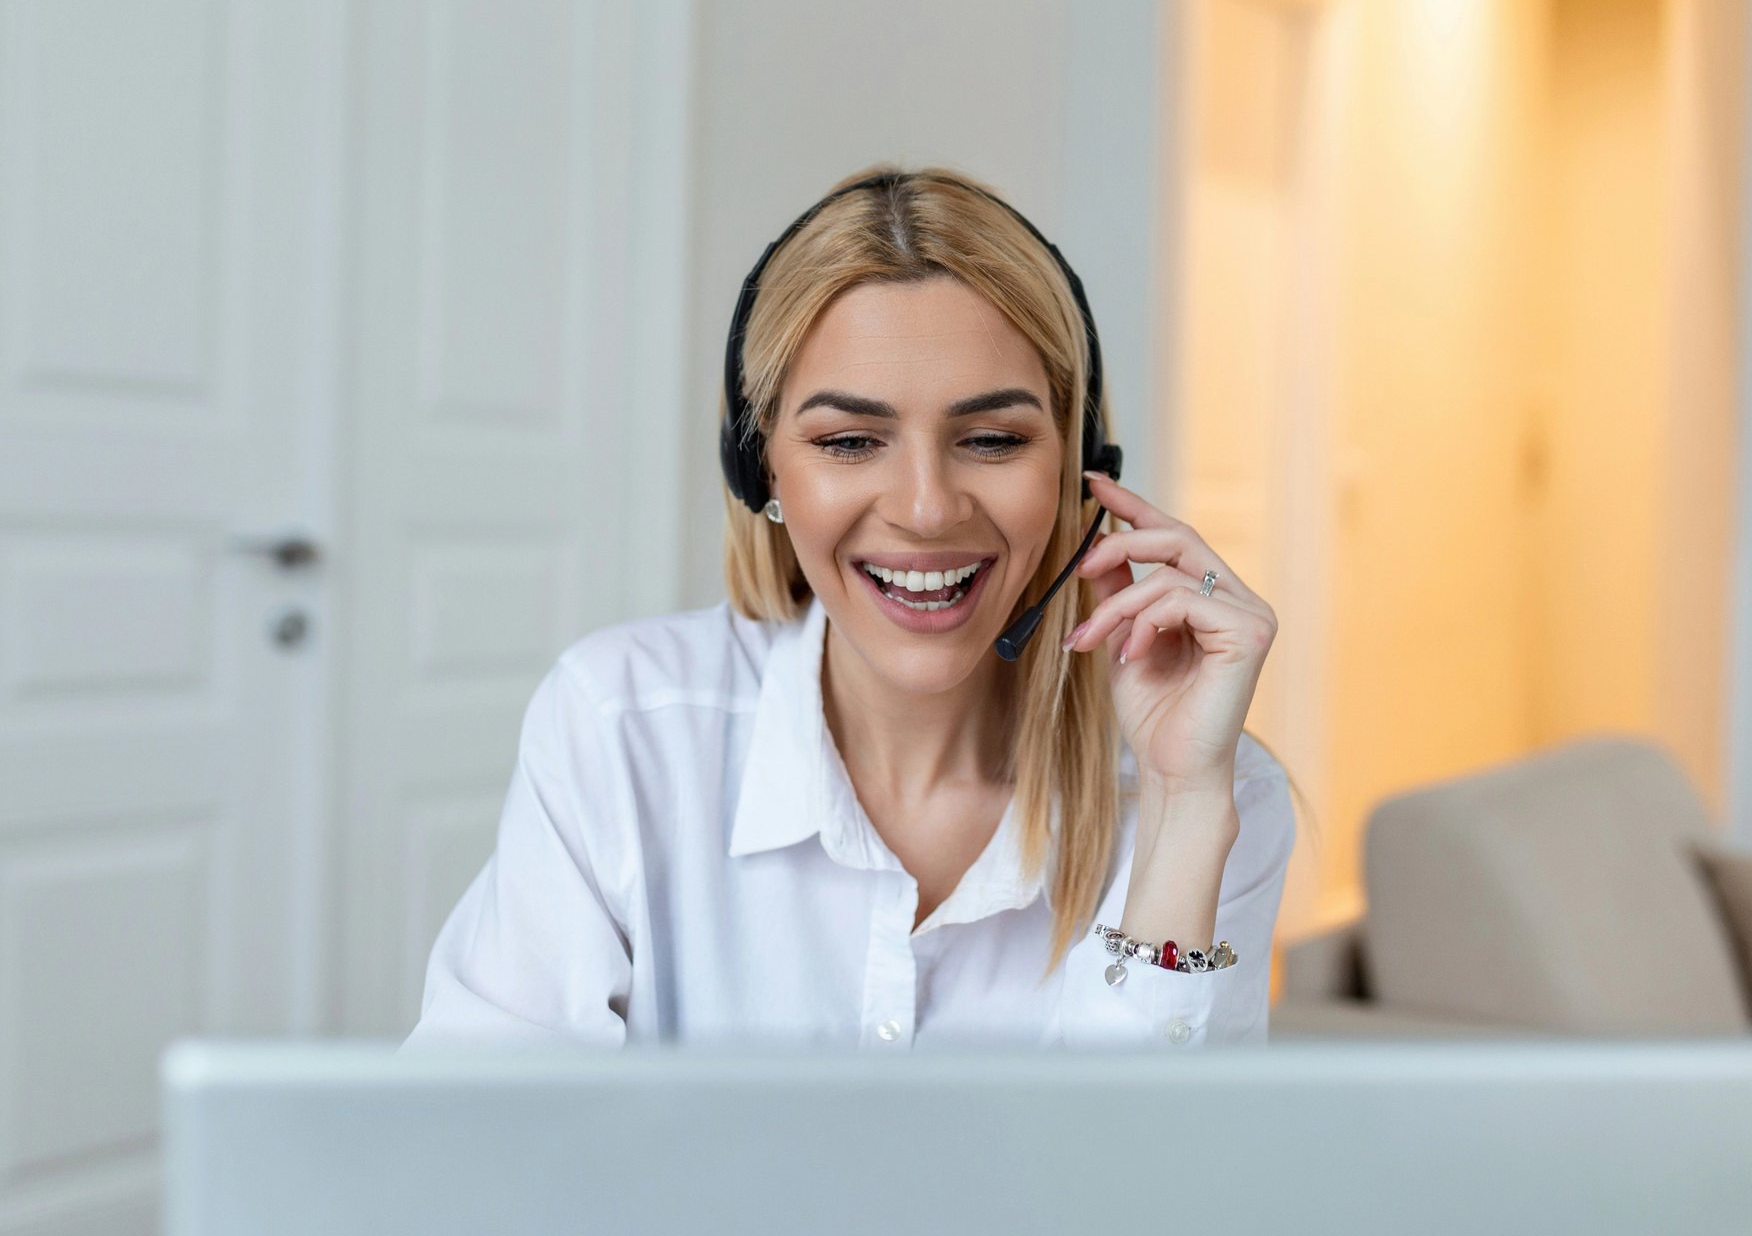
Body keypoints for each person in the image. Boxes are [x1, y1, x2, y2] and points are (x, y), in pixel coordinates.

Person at [402, 165, 1300, 1053]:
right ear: (761, 474)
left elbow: (1156, 1187)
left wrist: (1183, 811)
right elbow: (475, 1147)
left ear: (1075, 470)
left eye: (991, 440)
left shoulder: (1212, 786)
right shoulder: (622, 727)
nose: (925, 508)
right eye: (849, 441)